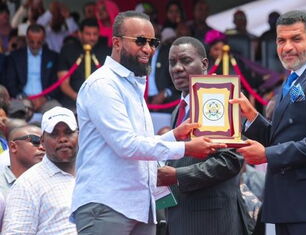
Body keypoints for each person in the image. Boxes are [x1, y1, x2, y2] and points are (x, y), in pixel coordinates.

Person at [71, 11, 225, 234]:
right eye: (140, 41)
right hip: (107, 205)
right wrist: (185, 147)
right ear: (116, 42)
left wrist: (174, 135)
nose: (148, 49)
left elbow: (139, 144)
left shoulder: (131, 83)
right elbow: (127, 145)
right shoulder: (103, 84)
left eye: (152, 42)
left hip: (140, 207)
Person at [232, 10, 306, 234]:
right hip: (290, 203)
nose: (287, 47)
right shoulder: (296, 77)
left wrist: (266, 155)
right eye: (281, 40)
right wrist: (251, 116)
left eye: (296, 38)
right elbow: (281, 138)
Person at [157, 36, 251, 235]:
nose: (177, 68)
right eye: (172, 62)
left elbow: (231, 160)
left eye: (185, 60)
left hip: (211, 222)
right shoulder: (178, 110)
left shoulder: (216, 98)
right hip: (180, 219)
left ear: (204, 63)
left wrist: (176, 176)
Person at [2, 107, 78, 234]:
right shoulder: (28, 184)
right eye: (54, 134)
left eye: (68, 132)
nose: (63, 139)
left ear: (79, 135)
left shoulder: (94, 173)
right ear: (42, 140)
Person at [57, 18, 110, 111]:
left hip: (101, 102)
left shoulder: (106, 51)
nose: (92, 38)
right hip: (72, 101)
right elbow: (64, 83)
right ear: (79, 33)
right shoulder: (67, 50)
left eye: (95, 34)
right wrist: (78, 98)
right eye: (88, 34)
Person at [5, 24, 60, 112]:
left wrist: (45, 98)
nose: (35, 45)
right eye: (31, 42)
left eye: (39, 42)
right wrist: (22, 97)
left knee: (57, 113)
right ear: (26, 38)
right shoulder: (15, 57)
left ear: (44, 39)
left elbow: (57, 82)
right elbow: (10, 82)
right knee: (15, 112)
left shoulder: (53, 57)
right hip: (21, 98)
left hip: (46, 100)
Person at [0, 124, 44, 197]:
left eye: (45, 143)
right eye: (35, 141)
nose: (42, 147)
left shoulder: (53, 181)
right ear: (13, 147)